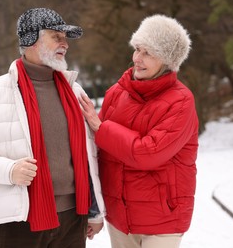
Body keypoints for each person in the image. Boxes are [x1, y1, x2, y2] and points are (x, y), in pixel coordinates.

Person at [0, 7, 105, 248]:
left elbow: (90, 156)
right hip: (17, 221)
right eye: (56, 36)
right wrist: (10, 170)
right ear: (31, 38)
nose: (64, 44)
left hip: (73, 219)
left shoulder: (74, 91)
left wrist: (94, 211)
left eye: (65, 38)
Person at [79, 14, 199, 248]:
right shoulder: (116, 92)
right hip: (120, 216)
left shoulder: (181, 101)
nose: (137, 58)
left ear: (167, 60)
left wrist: (102, 128)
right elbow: (95, 152)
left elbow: (148, 153)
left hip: (163, 219)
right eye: (137, 49)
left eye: (148, 53)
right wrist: (93, 210)